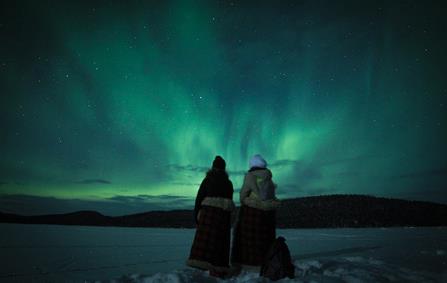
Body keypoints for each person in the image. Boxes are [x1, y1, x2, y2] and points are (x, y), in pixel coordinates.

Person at [186, 156, 235, 277]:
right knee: (220, 244)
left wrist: (196, 216)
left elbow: (199, 198)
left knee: (205, 246)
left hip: (207, 215)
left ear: (213, 167)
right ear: (224, 168)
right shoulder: (228, 183)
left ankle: (201, 273)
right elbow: (229, 202)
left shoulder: (207, 180)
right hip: (223, 217)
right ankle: (219, 269)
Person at [231, 154, 280, 269]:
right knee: (265, 237)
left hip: (252, 211)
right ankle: (265, 261)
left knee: (248, 238)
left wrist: (244, 200)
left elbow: (243, 194)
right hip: (268, 213)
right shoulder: (269, 178)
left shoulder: (250, 176)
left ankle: (248, 264)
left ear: (252, 165)